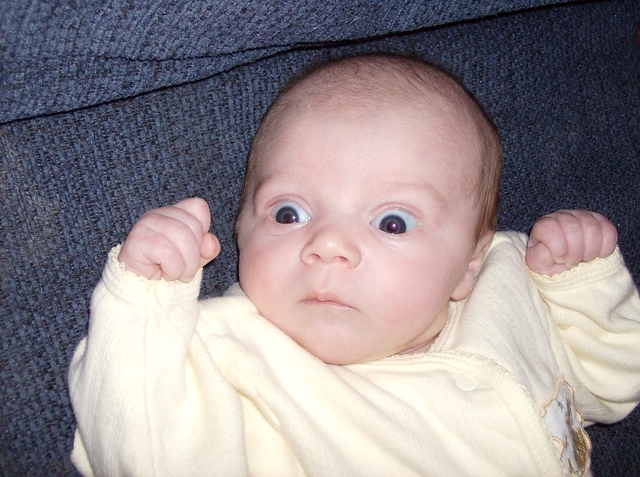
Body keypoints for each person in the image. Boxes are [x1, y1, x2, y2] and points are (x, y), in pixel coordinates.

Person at [68, 54, 640, 477]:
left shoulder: (509, 285)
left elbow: (615, 382)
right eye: (288, 213)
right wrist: (143, 304)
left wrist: (582, 284)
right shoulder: (232, 356)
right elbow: (142, 453)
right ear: (240, 229)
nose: (328, 244)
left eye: (392, 222)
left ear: (470, 261)